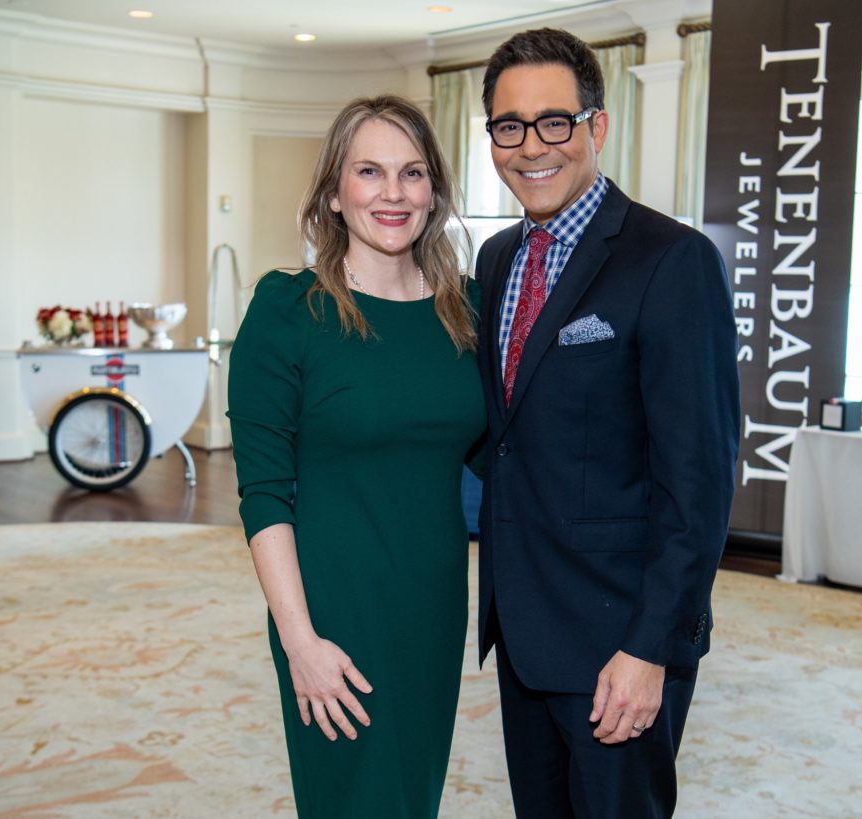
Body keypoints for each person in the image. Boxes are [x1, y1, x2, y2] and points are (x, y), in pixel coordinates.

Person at [473, 28, 740, 818]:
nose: (531, 148)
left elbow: (700, 480)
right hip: (522, 631)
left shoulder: (671, 260)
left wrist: (651, 646)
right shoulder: (495, 259)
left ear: (597, 126)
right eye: (509, 126)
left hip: (619, 643)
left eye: (554, 122)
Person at [227, 95, 485, 818]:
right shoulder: (288, 311)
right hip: (332, 611)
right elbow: (264, 493)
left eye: (412, 172)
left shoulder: (466, 310)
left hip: (433, 606)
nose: (393, 192)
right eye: (369, 171)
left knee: (412, 796)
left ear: (433, 190)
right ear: (335, 194)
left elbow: (511, 454)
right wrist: (299, 639)